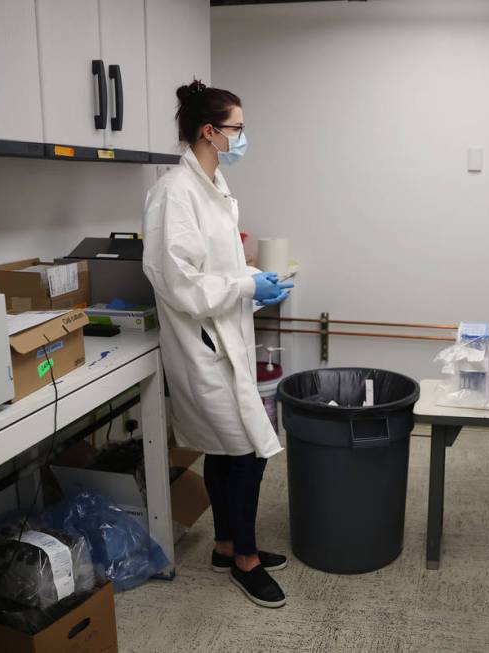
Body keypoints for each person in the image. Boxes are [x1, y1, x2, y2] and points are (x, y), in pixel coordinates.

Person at [142, 79, 294, 609]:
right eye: (238, 128)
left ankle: (226, 545)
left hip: (224, 333)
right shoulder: (173, 193)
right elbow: (178, 281)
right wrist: (246, 286)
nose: (243, 136)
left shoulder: (216, 186)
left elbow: (219, 267)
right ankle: (245, 560)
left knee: (228, 447)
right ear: (210, 131)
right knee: (248, 450)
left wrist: (254, 279)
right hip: (201, 345)